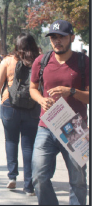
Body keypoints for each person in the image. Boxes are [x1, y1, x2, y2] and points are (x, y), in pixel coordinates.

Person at [29, 20, 89, 205]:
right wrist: (40, 99)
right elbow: (32, 88)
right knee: (38, 176)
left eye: (61, 37)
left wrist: (70, 91)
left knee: (77, 181)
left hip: (74, 127)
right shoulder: (42, 61)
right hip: (46, 126)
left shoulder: (83, 62)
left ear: (72, 37)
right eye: (53, 37)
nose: (57, 41)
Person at [0, 33, 41, 196]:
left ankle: (12, 176)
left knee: (11, 140)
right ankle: (29, 186)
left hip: (9, 104)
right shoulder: (39, 61)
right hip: (32, 105)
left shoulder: (7, 61)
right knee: (28, 146)